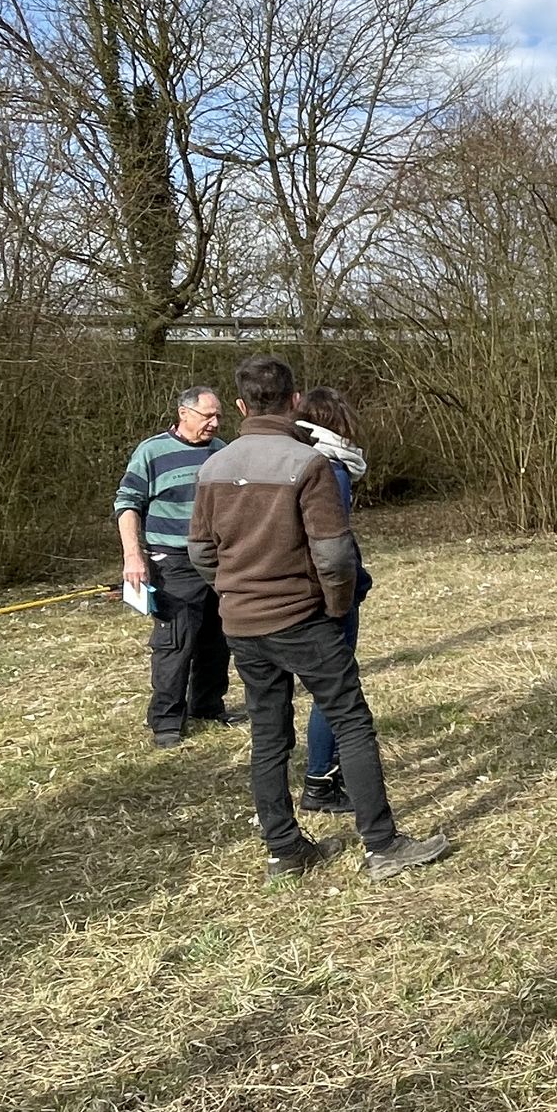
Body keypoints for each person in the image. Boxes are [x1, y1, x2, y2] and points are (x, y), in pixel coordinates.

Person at [188, 355, 448, 881]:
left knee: (268, 733)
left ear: (239, 406)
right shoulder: (307, 464)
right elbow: (333, 555)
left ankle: (284, 850)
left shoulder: (213, 467)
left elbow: (199, 552)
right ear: (293, 401)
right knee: (351, 723)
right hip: (302, 619)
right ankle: (382, 845)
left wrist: (232, 593)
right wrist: (334, 606)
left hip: (241, 624)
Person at [115, 386, 231, 747]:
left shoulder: (221, 452)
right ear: (184, 414)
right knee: (175, 641)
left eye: (218, 416)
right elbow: (127, 503)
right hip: (173, 560)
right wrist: (133, 556)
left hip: (216, 559)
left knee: (219, 636)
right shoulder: (151, 451)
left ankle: (208, 706)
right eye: (206, 416)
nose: (213, 423)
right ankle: (166, 720)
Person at [291, 386, 373, 815]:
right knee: (335, 690)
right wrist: (350, 587)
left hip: (305, 591)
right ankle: (320, 780)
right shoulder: (331, 469)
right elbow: (331, 542)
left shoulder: (301, 460)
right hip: (328, 595)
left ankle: (323, 774)